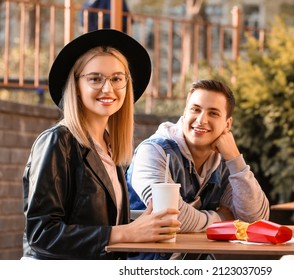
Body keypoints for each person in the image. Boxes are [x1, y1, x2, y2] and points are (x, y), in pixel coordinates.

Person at [22, 29, 180, 260]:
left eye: (117, 78)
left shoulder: (108, 148)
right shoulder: (58, 142)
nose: (108, 89)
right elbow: (42, 235)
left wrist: (145, 226)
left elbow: (107, 229)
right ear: (76, 85)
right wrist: (125, 233)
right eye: (95, 78)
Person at [126, 79, 270, 259]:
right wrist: (223, 219)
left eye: (213, 113)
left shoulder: (225, 163)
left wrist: (235, 159)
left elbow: (256, 222)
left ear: (227, 124)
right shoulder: (154, 152)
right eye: (195, 109)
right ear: (184, 113)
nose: (201, 120)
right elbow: (169, 218)